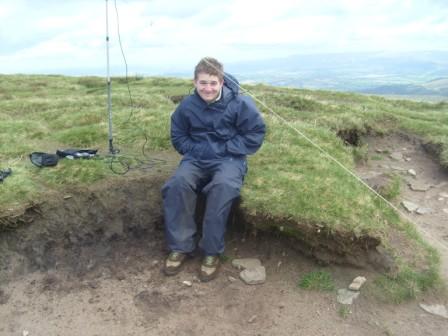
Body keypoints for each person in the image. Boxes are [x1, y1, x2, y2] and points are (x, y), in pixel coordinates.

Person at [161, 57, 266, 281]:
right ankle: (180, 246)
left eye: (212, 83)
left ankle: (211, 251)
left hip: (230, 159)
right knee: (177, 184)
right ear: (194, 82)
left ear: (221, 81)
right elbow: (178, 135)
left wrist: (227, 148)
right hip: (196, 158)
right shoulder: (187, 105)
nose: (207, 88)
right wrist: (197, 150)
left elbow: (255, 133)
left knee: (223, 186)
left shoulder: (240, 103)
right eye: (203, 83)